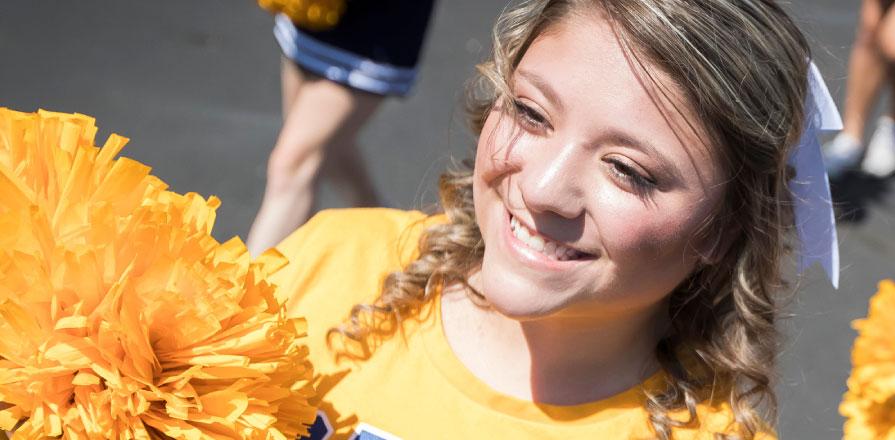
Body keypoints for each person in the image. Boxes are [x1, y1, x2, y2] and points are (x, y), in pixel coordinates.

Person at [266, 0, 818, 437]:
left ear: (725, 228)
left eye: (627, 170)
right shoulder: (326, 261)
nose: (543, 187)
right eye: (530, 113)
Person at [246, 0, 437, 253]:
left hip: (373, 34)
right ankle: (392, 237)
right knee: (323, 150)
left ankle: (245, 290)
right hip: (309, 17)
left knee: (292, 165)